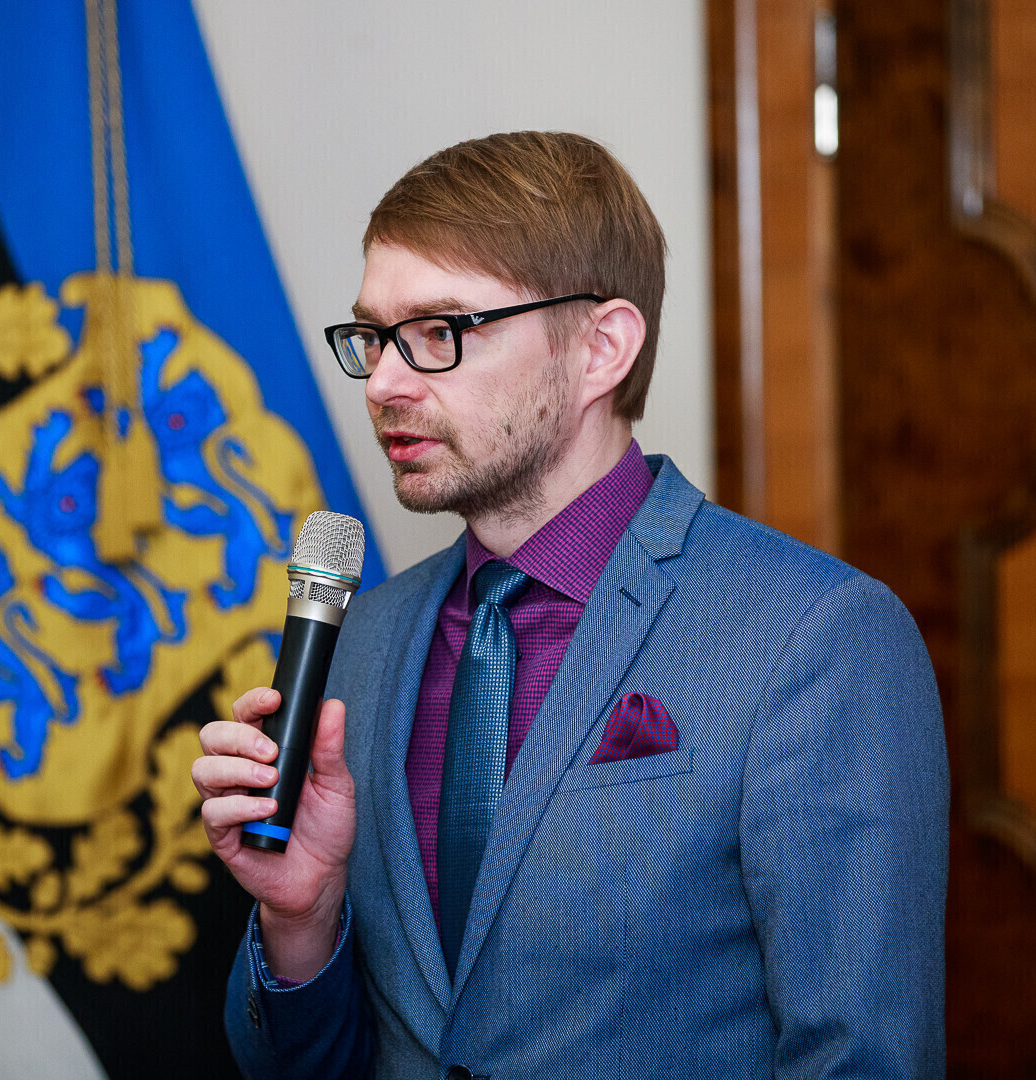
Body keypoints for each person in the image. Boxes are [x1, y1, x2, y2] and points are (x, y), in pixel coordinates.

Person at [192, 131, 948, 1080]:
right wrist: (301, 918)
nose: (383, 382)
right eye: (374, 337)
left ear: (601, 348)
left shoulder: (815, 637)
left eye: (440, 331)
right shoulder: (365, 641)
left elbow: (861, 1059)